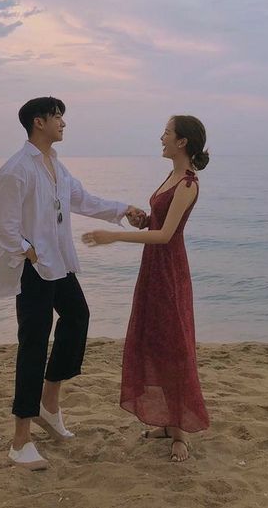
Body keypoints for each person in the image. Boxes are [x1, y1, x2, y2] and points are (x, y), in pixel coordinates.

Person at [0, 96, 144, 470]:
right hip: (34, 269)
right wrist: (27, 251)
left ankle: (49, 403)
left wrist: (123, 210)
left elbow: (83, 200)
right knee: (33, 345)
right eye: (57, 116)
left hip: (60, 264)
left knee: (77, 318)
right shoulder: (15, 170)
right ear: (38, 122)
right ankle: (20, 441)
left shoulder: (55, 165)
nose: (63, 122)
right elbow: (0, 223)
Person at [82, 115, 210, 462]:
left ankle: (180, 433)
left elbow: (167, 236)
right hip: (154, 268)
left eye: (167, 133)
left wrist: (114, 236)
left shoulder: (187, 183)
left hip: (169, 270)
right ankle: (168, 423)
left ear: (182, 142)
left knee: (174, 345)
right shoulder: (171, 176)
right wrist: (143, 220)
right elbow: (160, 224)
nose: (161, 138)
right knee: (154, 339)